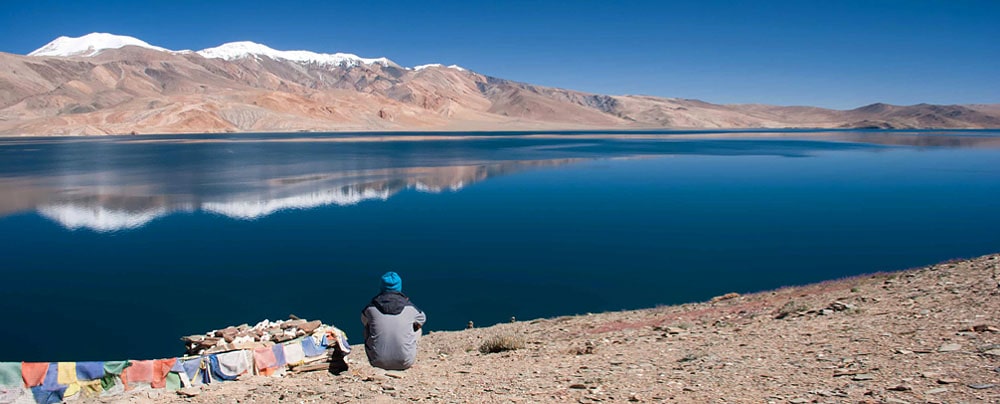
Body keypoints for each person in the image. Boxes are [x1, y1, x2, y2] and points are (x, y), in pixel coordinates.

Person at [361, 271, 426, 370]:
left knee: (367, 327)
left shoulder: (370, 308)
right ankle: (404, 352)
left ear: (381, 286)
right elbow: (422, 319)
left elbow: (364, 320)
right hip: (405, 362)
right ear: (399, 286)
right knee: (418, 329)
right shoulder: (410, 307)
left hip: (377, 362)